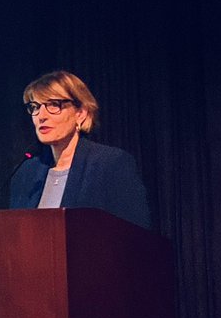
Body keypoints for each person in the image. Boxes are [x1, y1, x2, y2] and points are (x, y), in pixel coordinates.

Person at [8, 69, 152, 229]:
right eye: (35, 107)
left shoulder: (110, 164)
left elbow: (136, 236)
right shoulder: (25, 173)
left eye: (53, 105)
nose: (41, 115)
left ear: (81, 113)